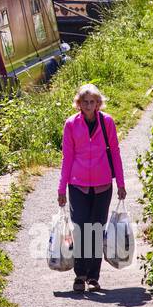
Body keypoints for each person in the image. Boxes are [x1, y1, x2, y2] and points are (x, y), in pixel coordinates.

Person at [57, 83, 126, 293]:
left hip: (103, 184)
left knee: (96, 230)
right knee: (80, 230)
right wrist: (61, 189)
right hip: (77, 185)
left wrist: (121, 183)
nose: (88, 106)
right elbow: (67, 157)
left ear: (98, 103)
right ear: (79, 104)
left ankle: (93, 277)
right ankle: (80, 275)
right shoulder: (71, 124)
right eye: (85, 102)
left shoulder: (107, 123)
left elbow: (115, 152)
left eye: (92, 102)